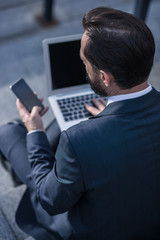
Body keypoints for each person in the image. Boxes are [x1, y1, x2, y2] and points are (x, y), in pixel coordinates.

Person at [0, 6, 160, 240]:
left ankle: (18, 164)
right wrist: (111, 113)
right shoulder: (83, 138)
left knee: (9, 133)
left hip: (94, 231)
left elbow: (50, 200)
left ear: (104, 77)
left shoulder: (79, 139)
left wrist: (35, 131)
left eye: (84, 61)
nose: (83, 66)